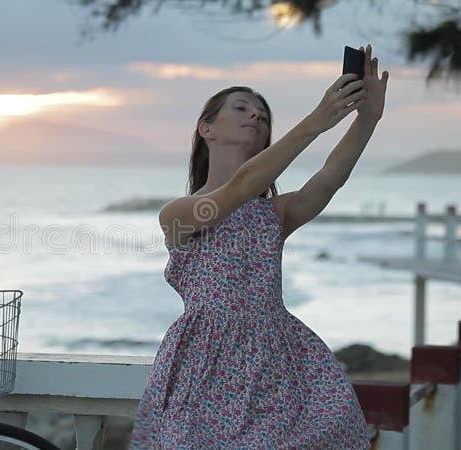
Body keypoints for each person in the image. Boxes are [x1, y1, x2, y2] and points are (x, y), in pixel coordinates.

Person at [129, 44, 389, 449]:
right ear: (206, 128)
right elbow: (242, 186)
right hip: (204, 364)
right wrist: (317, 121)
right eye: (241, 107)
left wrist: (368, 120)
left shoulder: (274, 214)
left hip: (275, 361)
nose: (255, 114)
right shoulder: (181, 214)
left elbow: (329, 178)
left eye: (263, 115)